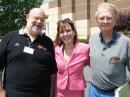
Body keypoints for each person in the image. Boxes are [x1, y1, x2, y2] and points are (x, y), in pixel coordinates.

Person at [0, 8, 57, 97]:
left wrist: (51, 94)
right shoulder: (9, 38)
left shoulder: (48, 42)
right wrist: (1, 91)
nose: (39, 21)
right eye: (36, 18)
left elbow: (52, 74)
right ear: (27, 18)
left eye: (42, 20)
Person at [88, 2, 130, 97]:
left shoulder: (126, 42)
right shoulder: (92, 39)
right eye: (101, 18)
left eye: (109, 18)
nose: (105, 21)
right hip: (93, 91)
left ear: (115, 20)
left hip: (115, 93)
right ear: (97, 21)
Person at [54, 18, 90, 97]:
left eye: (68, 30)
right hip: (60, 92)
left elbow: (93, 65)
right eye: (62, 32)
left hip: (77, 92)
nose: (65, 34)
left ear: (74, 32)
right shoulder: (56, 50)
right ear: (59, 35)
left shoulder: (85, 48)